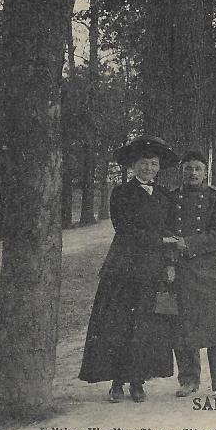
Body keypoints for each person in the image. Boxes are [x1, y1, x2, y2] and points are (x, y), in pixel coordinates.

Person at [79, 136, 179, 403]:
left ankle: (138, 381)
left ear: (159, 168)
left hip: (152, 269)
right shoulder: (121, 193)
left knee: (144, 326)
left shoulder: (163, 196)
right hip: (123, 267)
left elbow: (170, 231)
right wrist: (157, 239)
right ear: (134, 166)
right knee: (118, 323)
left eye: (153, 164)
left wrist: (169, 263)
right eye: (143, 163)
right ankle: (116, 382)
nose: (148, 168)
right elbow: (124, 229)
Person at [170, 151, 216, 399]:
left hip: (210, 269)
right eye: (188, 168)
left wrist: (188, 244)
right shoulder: (172, 198)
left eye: (197, 169)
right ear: (182, 171)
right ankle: (188, 379)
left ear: (205, 172)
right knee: (184, 326)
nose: (193, 173)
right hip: (181, 269)